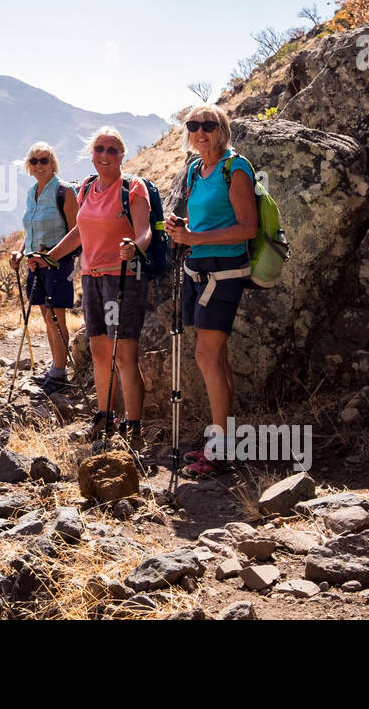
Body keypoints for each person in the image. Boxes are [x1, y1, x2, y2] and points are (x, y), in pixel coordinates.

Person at [38, 126, 152, 450]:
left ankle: (134, 427)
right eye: (100, 148)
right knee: (101, 352)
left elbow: (144, 232)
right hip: (91, 279)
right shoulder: (86, 188)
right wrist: (50, 257)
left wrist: (134, 246)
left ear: (122, 156)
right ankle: (104, 417)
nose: (105, 155)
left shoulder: (133, 188)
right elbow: (79, 232)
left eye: (112, 150)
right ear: (91, 153)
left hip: (123, 280)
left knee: (125, 356)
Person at [163, 103, 257, 477]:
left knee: (206, 356)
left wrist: (193, 236)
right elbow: (201, 219)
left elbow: (247, 228)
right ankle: (222, 441)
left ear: (222, 129)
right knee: (215, 359)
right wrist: (182, 226)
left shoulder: (236, 169)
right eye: (193, 125)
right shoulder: (194, 170)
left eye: (208, 124)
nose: (200, 131)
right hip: (197, 268)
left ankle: (219, 448)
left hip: (225, 270)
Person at [9, 141, 78, 390]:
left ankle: (60, 373)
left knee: (56, 318)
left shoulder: (65, 191)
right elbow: (30, 231)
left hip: (58, 264)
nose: (39, 165)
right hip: (34, 264)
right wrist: (18, 253)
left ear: (53, 163)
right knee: (46, 318)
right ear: (29, 165)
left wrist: (54, 255)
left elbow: (75, 232)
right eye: (34, 161)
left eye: (44, 160)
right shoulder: (32, 192)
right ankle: (54, 368)